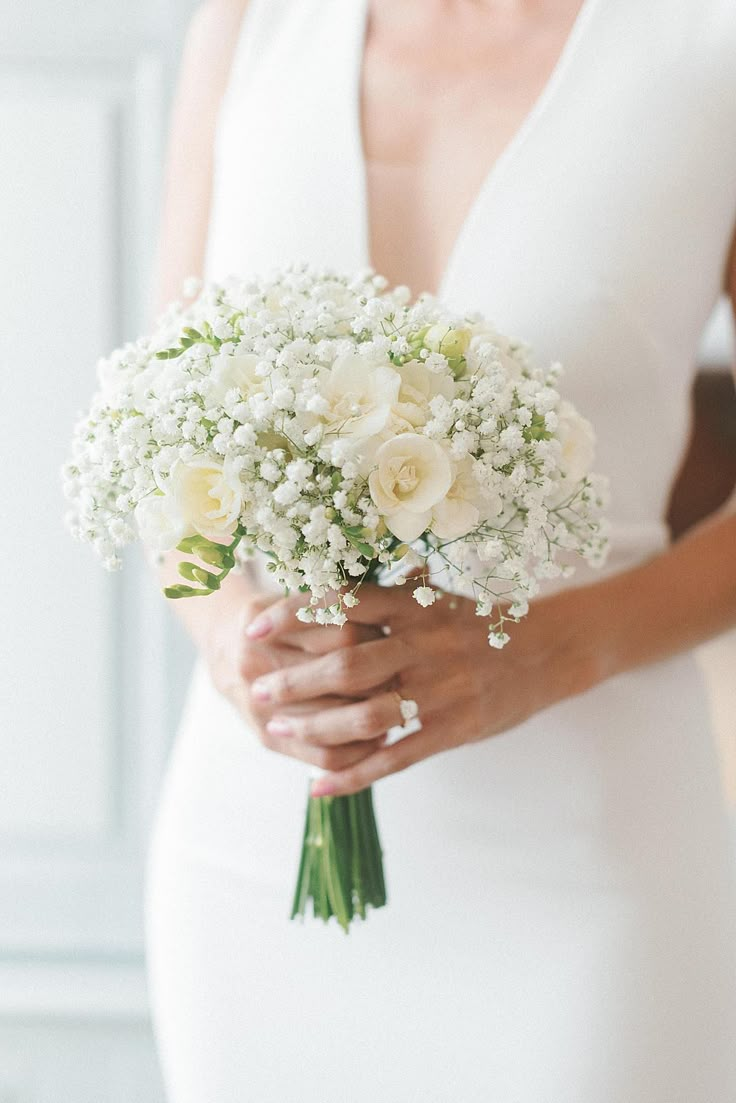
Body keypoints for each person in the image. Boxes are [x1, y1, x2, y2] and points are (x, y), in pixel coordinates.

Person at [144, 1, 736, 1100]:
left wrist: (549, 650)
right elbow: (160, 439)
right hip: (249, 847)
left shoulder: (705, 43)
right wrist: (227, 634)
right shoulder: (249, 23)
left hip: (580, 865)